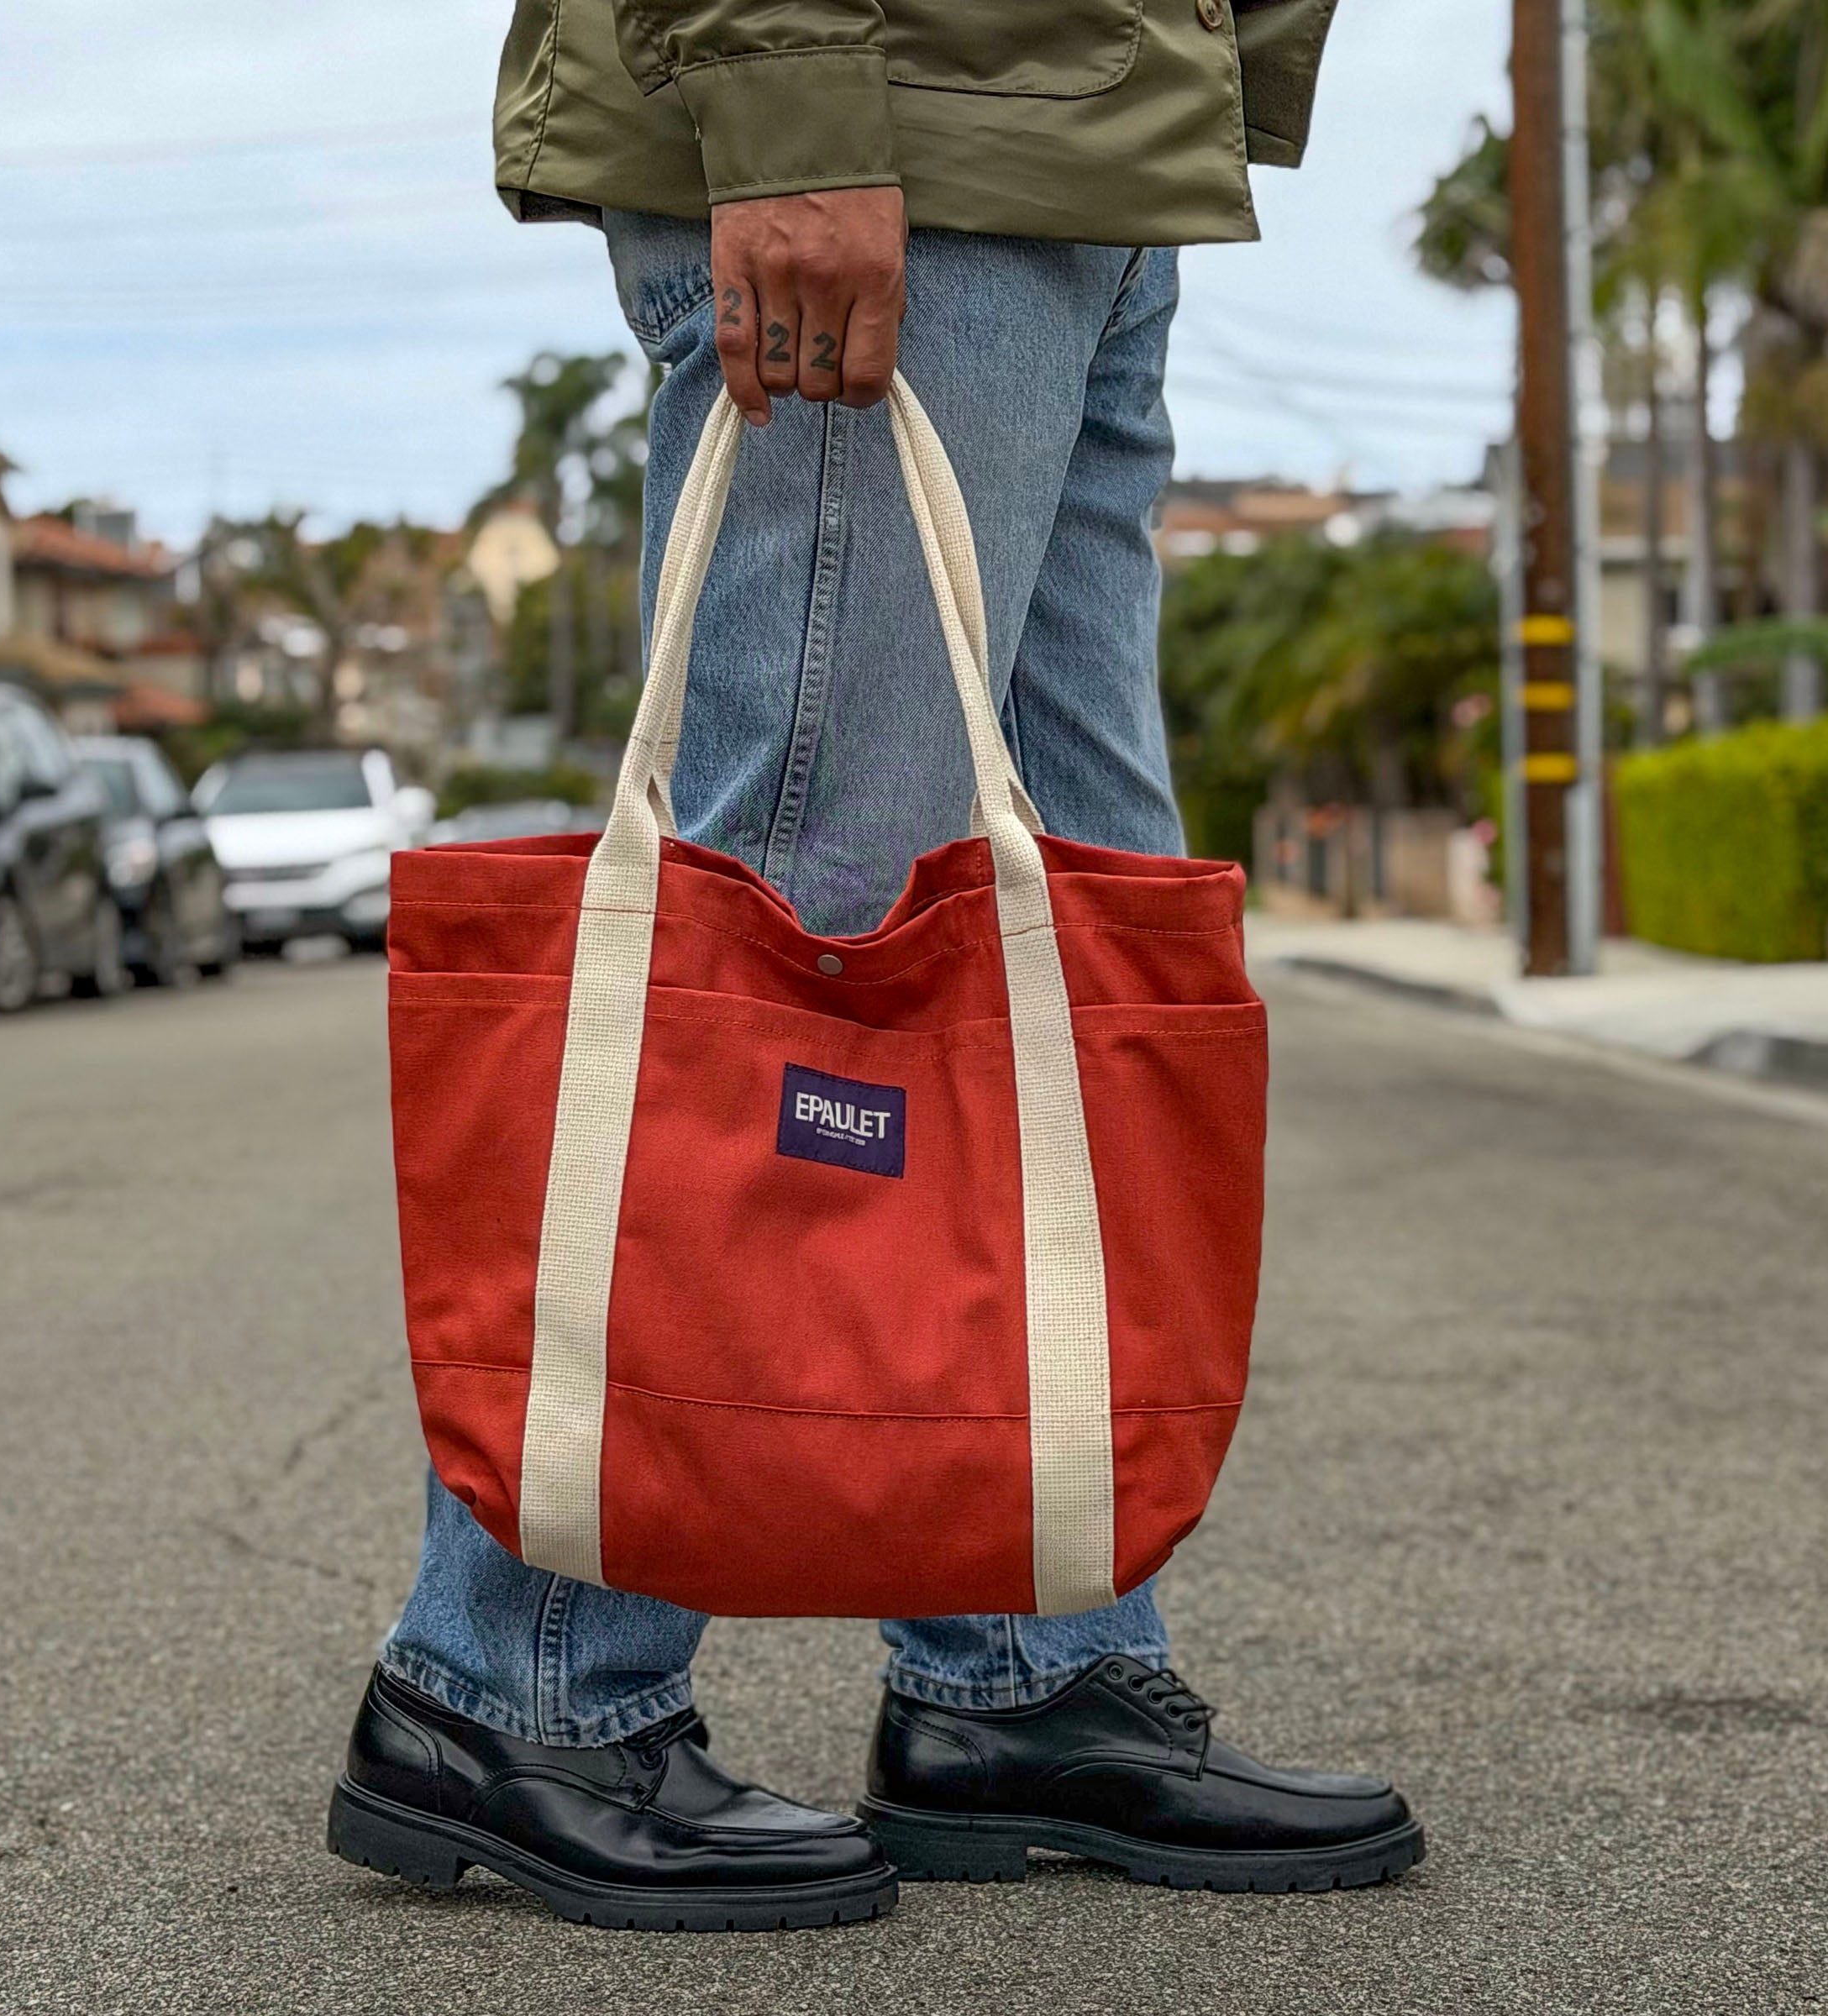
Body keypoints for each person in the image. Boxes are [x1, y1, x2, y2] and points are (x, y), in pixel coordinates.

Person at [327, 0, 1424, 1931]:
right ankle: (513, 1686)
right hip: (908, 107)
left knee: (1074, 937)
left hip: (1088, 134)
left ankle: (1025, 1672)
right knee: (794, 906)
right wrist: (796, 100)